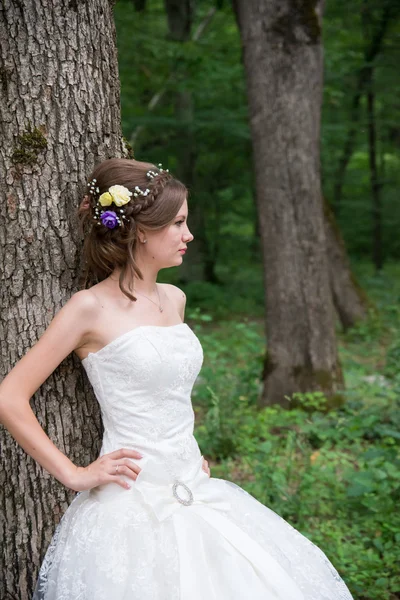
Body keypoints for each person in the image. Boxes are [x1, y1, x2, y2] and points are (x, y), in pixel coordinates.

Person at [0, 158, 354, 600]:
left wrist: (190, 450)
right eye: (179, 223)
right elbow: (9, 396)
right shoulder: (89, 309)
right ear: (141, 230)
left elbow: (169, 391)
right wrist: (73, 474)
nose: (188, 235)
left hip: (194, 482)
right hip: (131, 502)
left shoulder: (175, 299)